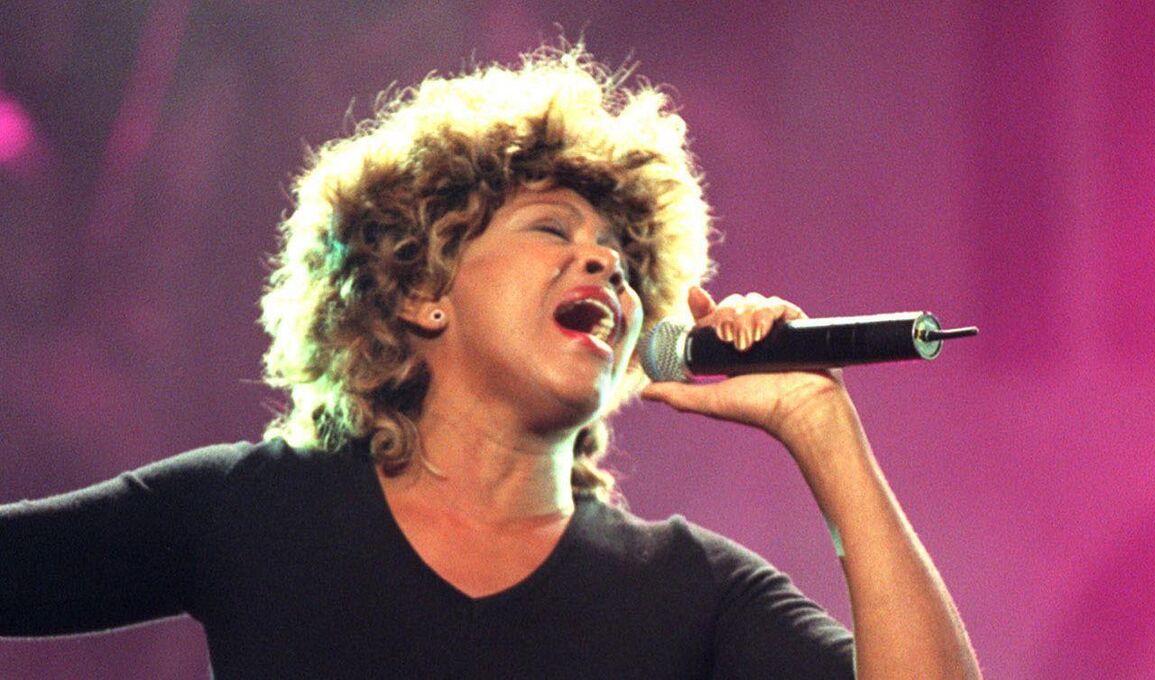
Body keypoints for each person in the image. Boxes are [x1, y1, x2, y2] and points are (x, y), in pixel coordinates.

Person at [1, 44, 980, 679]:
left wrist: (824, 426)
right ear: (421, 287)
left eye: (623, 259)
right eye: (553, 227)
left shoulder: (687, 587)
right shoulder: (249, 509)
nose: (603, 260)